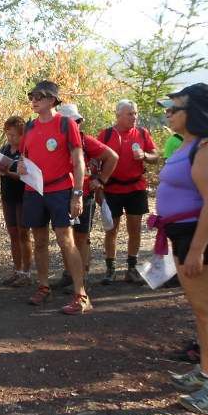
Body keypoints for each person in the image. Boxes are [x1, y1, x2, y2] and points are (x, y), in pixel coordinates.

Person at [151, 83, 208, 413]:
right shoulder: (188, 145)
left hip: (201, 241)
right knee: (203, 312)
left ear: (194, 113)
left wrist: (198, 250)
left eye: (174, 109)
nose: (168, 115)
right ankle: (206, 373)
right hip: (184, 237)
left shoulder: (206, 150)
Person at [18, 80, 91, 315]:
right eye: (31, 96)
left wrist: (77, 194)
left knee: (65, 240)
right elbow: (24, 157)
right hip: (34, 191)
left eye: (38, 96)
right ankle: (43, 286)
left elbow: (78, 161)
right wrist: (20, 166)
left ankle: (81, 295)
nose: (33, 100)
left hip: (60, 190)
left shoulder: (66, 124)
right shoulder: (29, 127)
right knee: (39, 241)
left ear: (52, 99)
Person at [54, 104, 118, 288]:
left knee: (81, 236)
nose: (76, 125)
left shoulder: (85, 141)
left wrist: (101, 180)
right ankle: (69, 273)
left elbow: (112, 157)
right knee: (65, 237)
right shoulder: (54, 141)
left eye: (78, 121)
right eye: (73, 122)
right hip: (60, 193)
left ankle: (81, 277)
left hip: (84, 194)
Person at [98, 100, 159, 284]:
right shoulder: (106, 134)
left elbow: (155, 157)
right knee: (111, 230)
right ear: (118, 115)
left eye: (135, 113)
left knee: (135, 229)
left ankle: (131, 268)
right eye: (129, 114)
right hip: (112, 188)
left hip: (136, 187)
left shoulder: (142, 133)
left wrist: (145, 156)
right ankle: (111, 269)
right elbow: (94, 157)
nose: (134, 117)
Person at [0, 116, 31, 286]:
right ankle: (17, 270)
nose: (11, 138)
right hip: (7, 196)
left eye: (14, 135)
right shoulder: (4, 149)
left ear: (22, 135)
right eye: (8, 134)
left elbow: (27, 176)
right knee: (13, 234)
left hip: (23, 197)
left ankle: (26, 272)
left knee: (24, 233)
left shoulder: (27, 151)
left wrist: (8, 173)